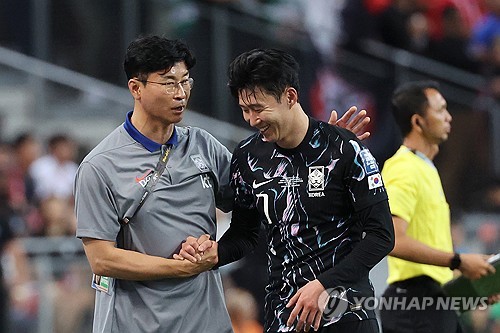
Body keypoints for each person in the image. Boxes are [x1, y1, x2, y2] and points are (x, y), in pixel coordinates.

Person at [74, 35, 369, 333]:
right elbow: (102, 259)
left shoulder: (204, 146)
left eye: (186, 81)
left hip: (206, 321)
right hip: (135, 324)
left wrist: (319, 150)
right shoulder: (101, 166)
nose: (181, 93)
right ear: (136, 88)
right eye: (168, 83)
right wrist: (179, 268)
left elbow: (267, 196)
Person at [179, 48, 394, 333]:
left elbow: (382, 236)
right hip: (285, 316)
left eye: (258, 108)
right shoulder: (247, 157)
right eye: (244, 110)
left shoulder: (344, 149)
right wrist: (215, 252)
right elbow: (245, 234)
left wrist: (322, 285)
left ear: (290, 97)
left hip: (346, 312)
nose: (252, 120)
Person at [379, 80, 497, 333]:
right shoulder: (403, 167)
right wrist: (458, 260)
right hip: (414, 305)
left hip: (433, 303)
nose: (449, 117)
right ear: (418, 122)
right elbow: (393, 240)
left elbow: (433, 265)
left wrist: (474, 289)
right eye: (441, 110)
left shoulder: (425, 168)